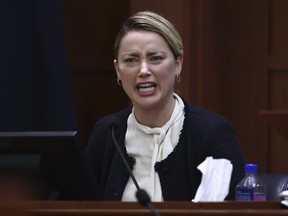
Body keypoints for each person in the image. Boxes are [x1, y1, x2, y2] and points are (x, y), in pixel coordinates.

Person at [85, 11, 246, 201]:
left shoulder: (212, 133)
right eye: (131, 60)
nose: (143, 70)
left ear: (178, 64)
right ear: (117, 70)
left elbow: (235, 209)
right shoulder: (108, 132)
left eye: (155, 58)